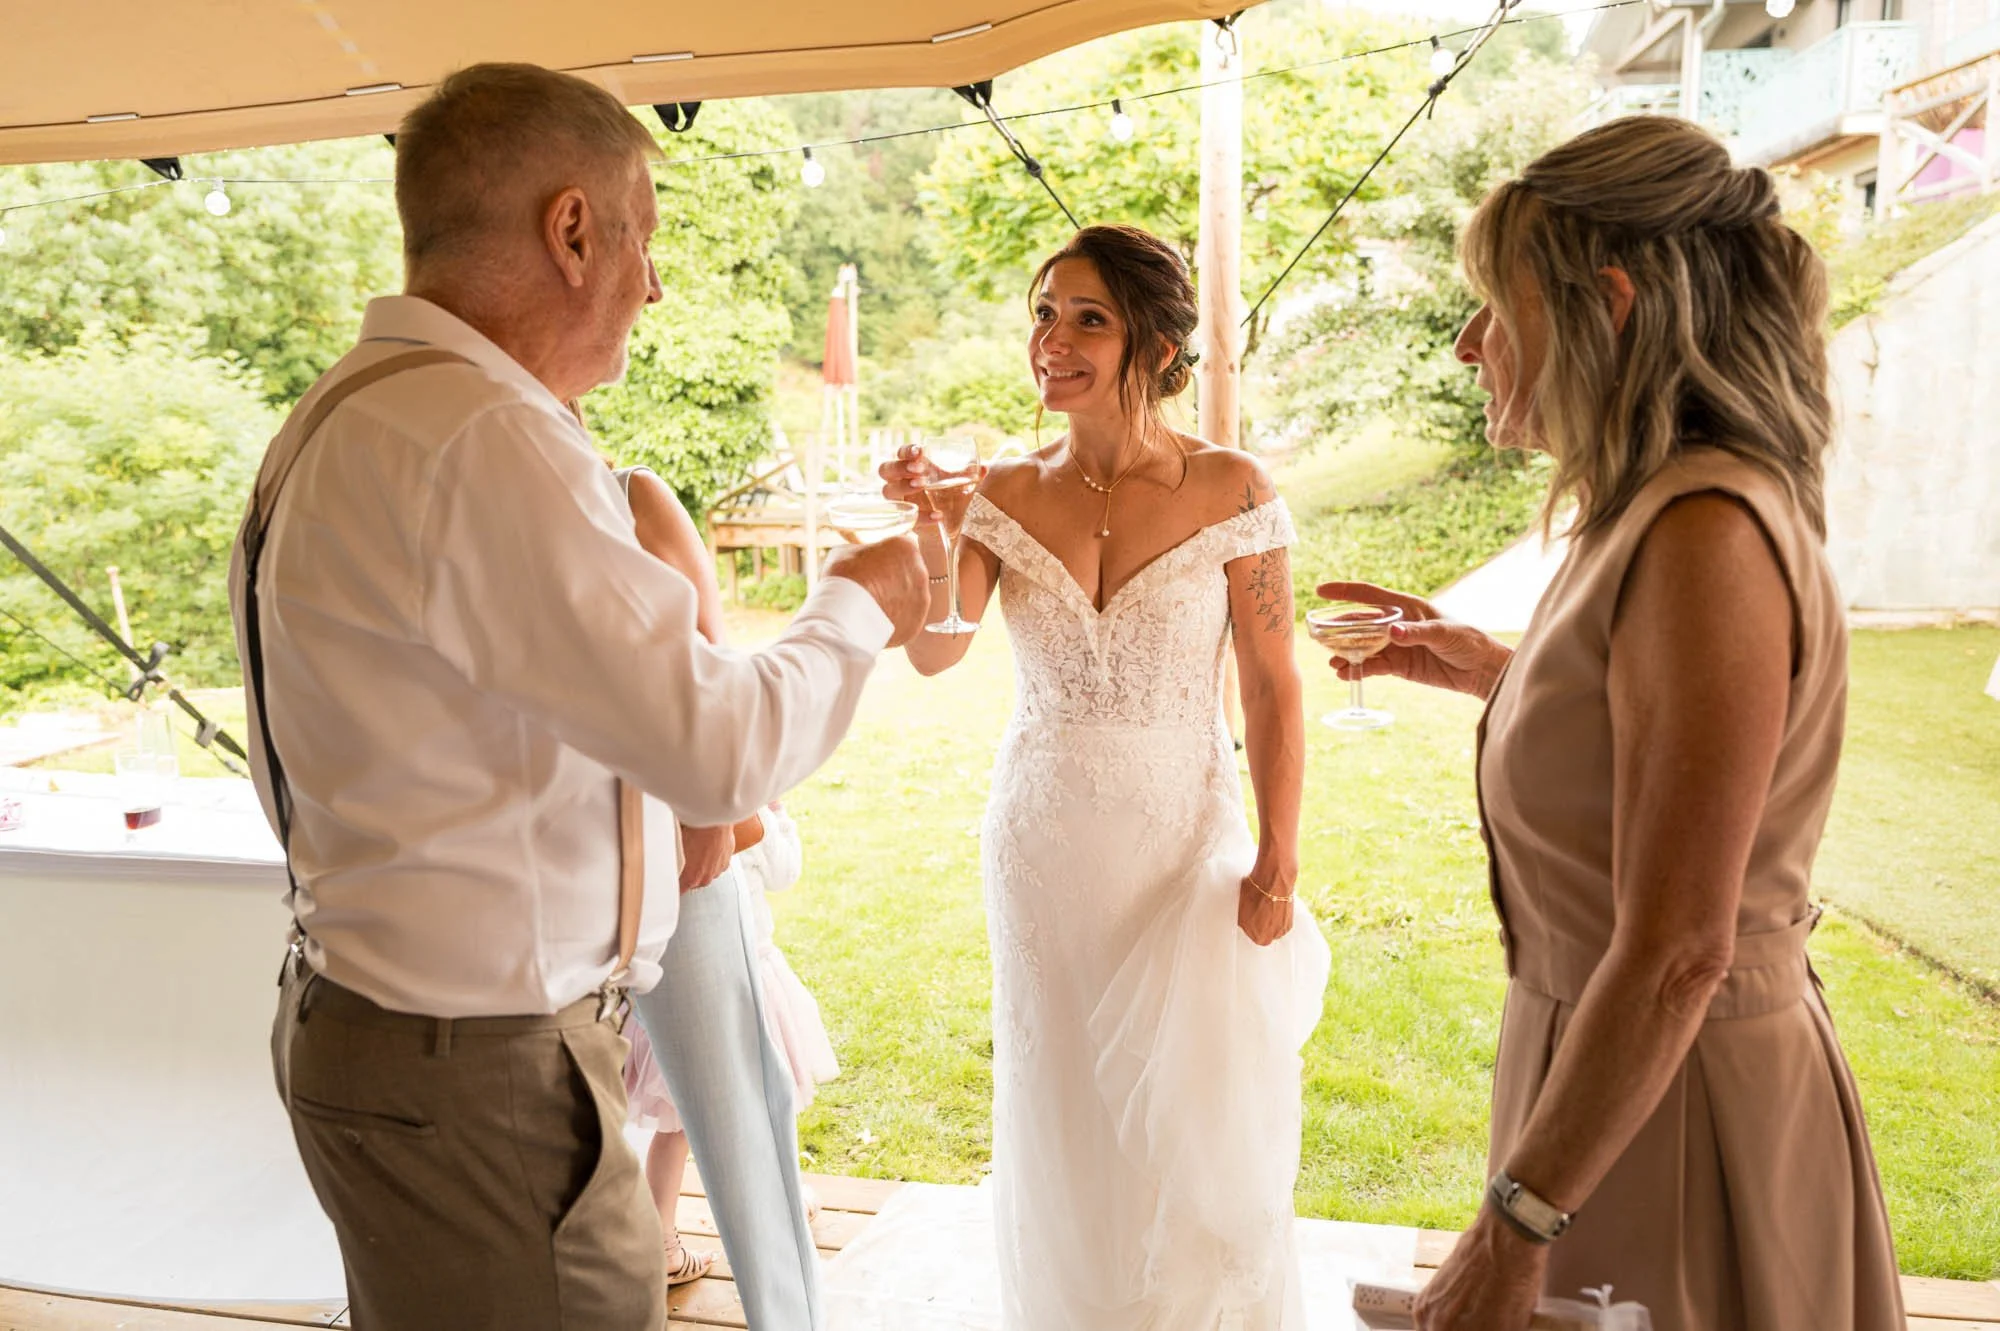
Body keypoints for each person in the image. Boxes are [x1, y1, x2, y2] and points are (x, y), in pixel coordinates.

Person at [230, 63, 925, 1331]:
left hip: (389, 1026)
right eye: (643, 240)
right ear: (570, 230)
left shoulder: (342, 411)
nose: (651, 286)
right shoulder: (480, 438)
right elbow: (715, 745)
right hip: (478, 1072)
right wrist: (860, 596)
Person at [1315, 117, 1903, 1331]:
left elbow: (1681, 944)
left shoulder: (1703, 533)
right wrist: (1493, 667)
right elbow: (1657, 734)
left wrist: (1509, 1231)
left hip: (1675, 1112)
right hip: (1613, 1088)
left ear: (1610, 305)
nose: (1471, 343)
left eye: (1494, 304)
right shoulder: (1655, 513)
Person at [880, 223, 1331, 1330]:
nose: (1053, 340)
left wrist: (1277, 859)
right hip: (1040, 844)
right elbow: (939, 651)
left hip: (1182, 839)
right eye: (1042, 313)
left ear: (1157, 345)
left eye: (1088, 318)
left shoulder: (1230, 488)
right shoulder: (995, 488)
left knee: (1189, 1115)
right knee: (1062, 1101)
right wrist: (932, 526)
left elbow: (1273, 685)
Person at [610, 459, 843, 1316]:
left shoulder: (633, 496)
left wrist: (724, 800)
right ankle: (652, 1239)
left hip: (685, 867)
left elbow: (710, 657)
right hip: (591, 884)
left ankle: (768, 1277)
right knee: (671, 1100)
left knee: (731, 1095)